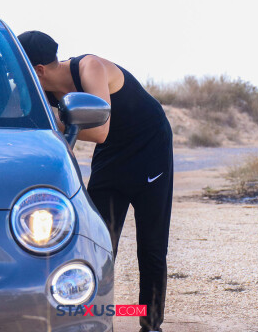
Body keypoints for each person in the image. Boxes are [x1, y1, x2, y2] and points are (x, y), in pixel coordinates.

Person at [18, 31, 173, 332]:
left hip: (149, 147)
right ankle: (97, 320)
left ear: (37, 70)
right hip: (111, 154)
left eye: (25, 71)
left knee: (151, 247)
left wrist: (50, 123)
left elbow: (99, 130)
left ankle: (150, 324)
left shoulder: (89, 68)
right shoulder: (46, 93)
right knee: (99, 246)